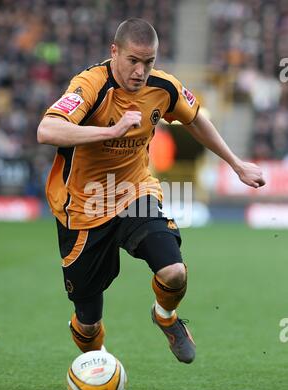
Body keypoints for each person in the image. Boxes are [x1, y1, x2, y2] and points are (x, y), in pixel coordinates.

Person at [37, 18, 265, 364]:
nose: (141, 71)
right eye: (133, 60)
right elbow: (47, 129)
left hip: (134, 194)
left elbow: (195, 118)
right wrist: (111, 132)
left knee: (174, 272)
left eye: (149, 62)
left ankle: (166, 317)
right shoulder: (91, 85)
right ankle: (100, 369)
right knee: (87, 324)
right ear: (115, 52)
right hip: (82, 207)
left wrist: (236, 164)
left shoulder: (164, 87)